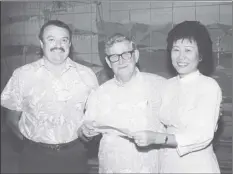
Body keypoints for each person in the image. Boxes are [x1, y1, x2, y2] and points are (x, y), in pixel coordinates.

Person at [1, 20, 99, 173]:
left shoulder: (87, 75)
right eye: (51, 39)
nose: (58, 45)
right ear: (41, 43)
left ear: (70, 44)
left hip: (75, 155)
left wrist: (88, 135)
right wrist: (30, 145)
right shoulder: (22, 75)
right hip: (34, 157)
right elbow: (11, 119)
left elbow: (94, 117)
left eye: (64, 40)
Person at [132, 21, 222, 173]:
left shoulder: (209, 86)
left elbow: (201, 135)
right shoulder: (168, 86)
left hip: (196, 165)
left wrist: (156, 138)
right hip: (169, 163)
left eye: (188, 50)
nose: (181, 57)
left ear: (200, 55)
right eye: (176, 50)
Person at [78, 33, 166, 173]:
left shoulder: (159, 86)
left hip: (150, 167)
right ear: (108, 62)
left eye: (126, 54)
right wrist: (85, 132)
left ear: (136, 55)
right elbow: (85, 132)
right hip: (113, 167)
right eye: (114, 57)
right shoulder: (99, 94)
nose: (121, 61)